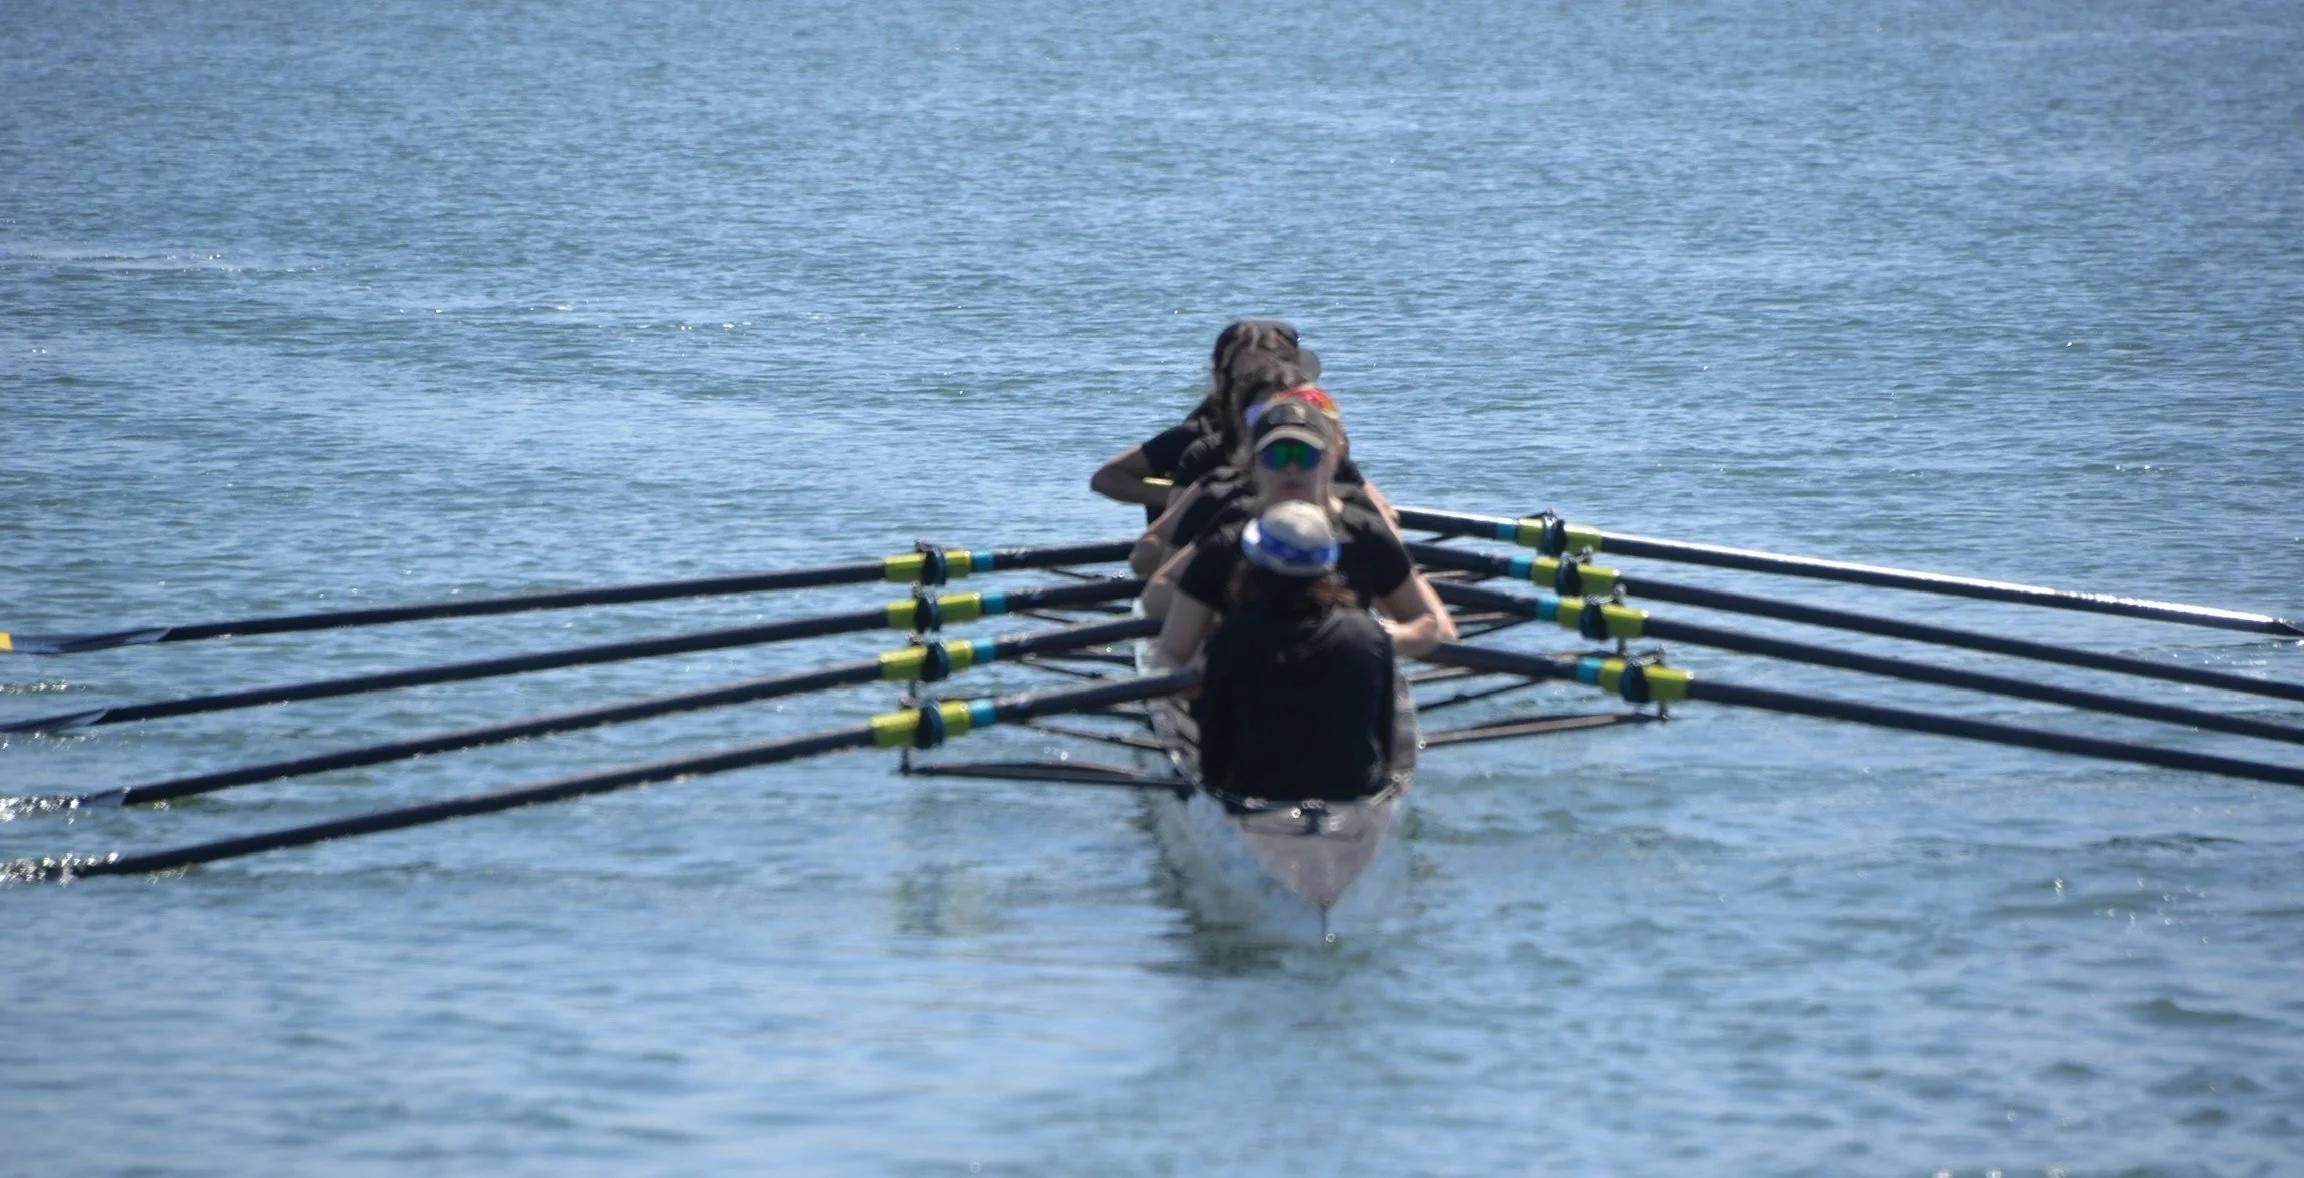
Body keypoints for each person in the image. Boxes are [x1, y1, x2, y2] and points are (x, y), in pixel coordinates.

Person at [1148, 399, 1454, 654]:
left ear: (1330, 461)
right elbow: (1156, 602)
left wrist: (1373, 636)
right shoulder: (1231, 533)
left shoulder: (1364, 533)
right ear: (1254, 465)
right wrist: (1225, 629)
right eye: (1277, 456)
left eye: (1305, 455)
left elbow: (1432, 625)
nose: (1291, 468)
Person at [1191, 501, 1397, 803]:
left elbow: (1214, 745)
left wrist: (1211, 792)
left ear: (1253, 565)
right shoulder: (1369, 634)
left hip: (1255, 796)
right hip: (1355, 794)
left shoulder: (1233, 636)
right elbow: (1386, 735)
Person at [1089, 320, 1318, 521]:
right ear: (1226, 382)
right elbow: (1106, 478)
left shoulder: (1314, 440)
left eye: (1273, 379)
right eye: (1249, 379)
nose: (1262, 388)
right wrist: (1187, 499)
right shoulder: (1200, 442)